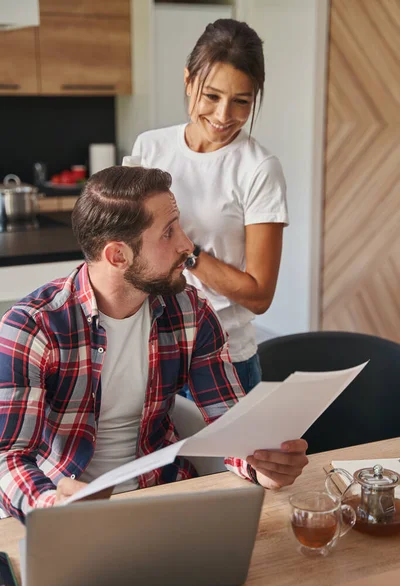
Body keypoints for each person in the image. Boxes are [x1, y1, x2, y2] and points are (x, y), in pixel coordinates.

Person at [0, 166, 307, 524]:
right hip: (67, 510)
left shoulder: (191, 311)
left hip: (164, 499)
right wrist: (50, 506)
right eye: (168, 233)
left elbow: (232, 425)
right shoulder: (33, 327)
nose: (187, 246)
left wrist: (260, 466)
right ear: (118, 256)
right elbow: (8, 455)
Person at [130, 18, 288, 395]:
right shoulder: (149, 149)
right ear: (188, 81)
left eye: (241, 102)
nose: (222, 116)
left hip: (223, 358)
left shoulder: (258, 169)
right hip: (153, 353)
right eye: (212, 96)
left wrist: (186, 249)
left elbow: (259, 295)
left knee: (228, 458)